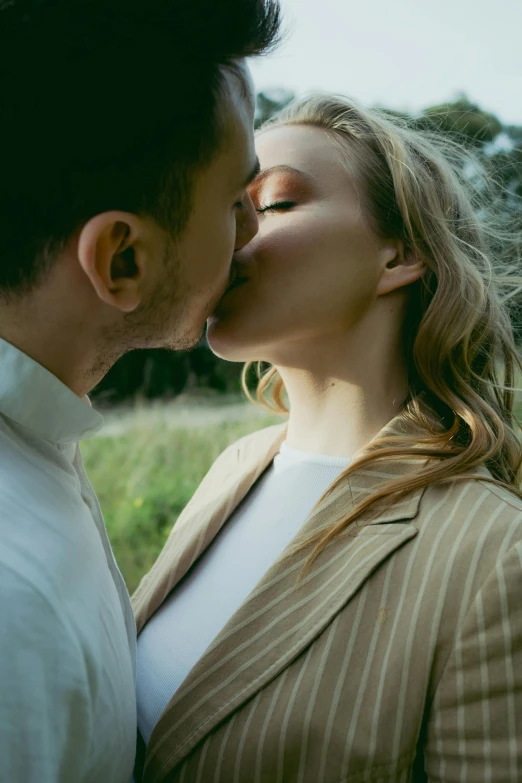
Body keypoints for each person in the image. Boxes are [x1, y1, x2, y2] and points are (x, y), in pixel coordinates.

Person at [133, 94, 522, 782]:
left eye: (275, 202)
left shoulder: (497, 553)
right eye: (227, 201)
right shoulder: (236, 467)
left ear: (399, 255)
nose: (232, 229)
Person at [0, 0, 281, 780]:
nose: (256, 233)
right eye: (235, 203)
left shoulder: (38, 448)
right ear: (122, 260)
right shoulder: (12, 614)